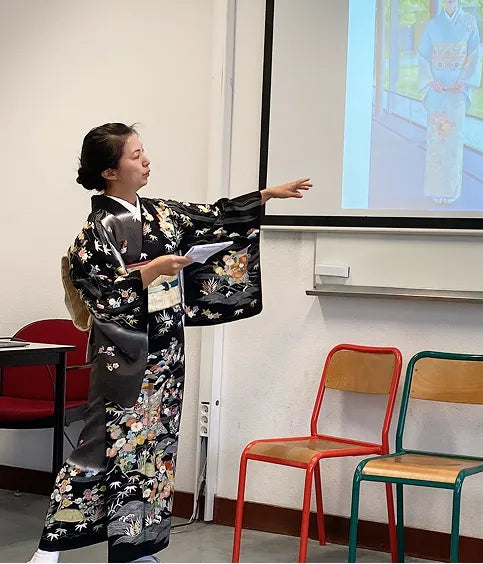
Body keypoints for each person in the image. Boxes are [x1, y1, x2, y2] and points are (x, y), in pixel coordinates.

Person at [29, 123, 311, 563]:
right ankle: (50, 548)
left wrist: (264, 196)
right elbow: (100, 291)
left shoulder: (162, 213)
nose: (146, 161)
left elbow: (213, 217)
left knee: (153, 449)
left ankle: (137, 548)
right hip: (123, 355)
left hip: (166, 351)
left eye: (144, 152)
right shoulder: (96, 230)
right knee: (99, 446)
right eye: (135, 155)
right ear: (109, 171)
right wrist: (151, 270)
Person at [418, 0, 481, 205]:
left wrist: (465, 80)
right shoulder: (433, 25)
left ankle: (452, 189)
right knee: (436, 140)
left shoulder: (469, 22)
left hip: (457, 90)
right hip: (438, 91)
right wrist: (430, 80)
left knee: (453, 140)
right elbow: (423, 56)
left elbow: (474, 53)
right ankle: (436, 189)